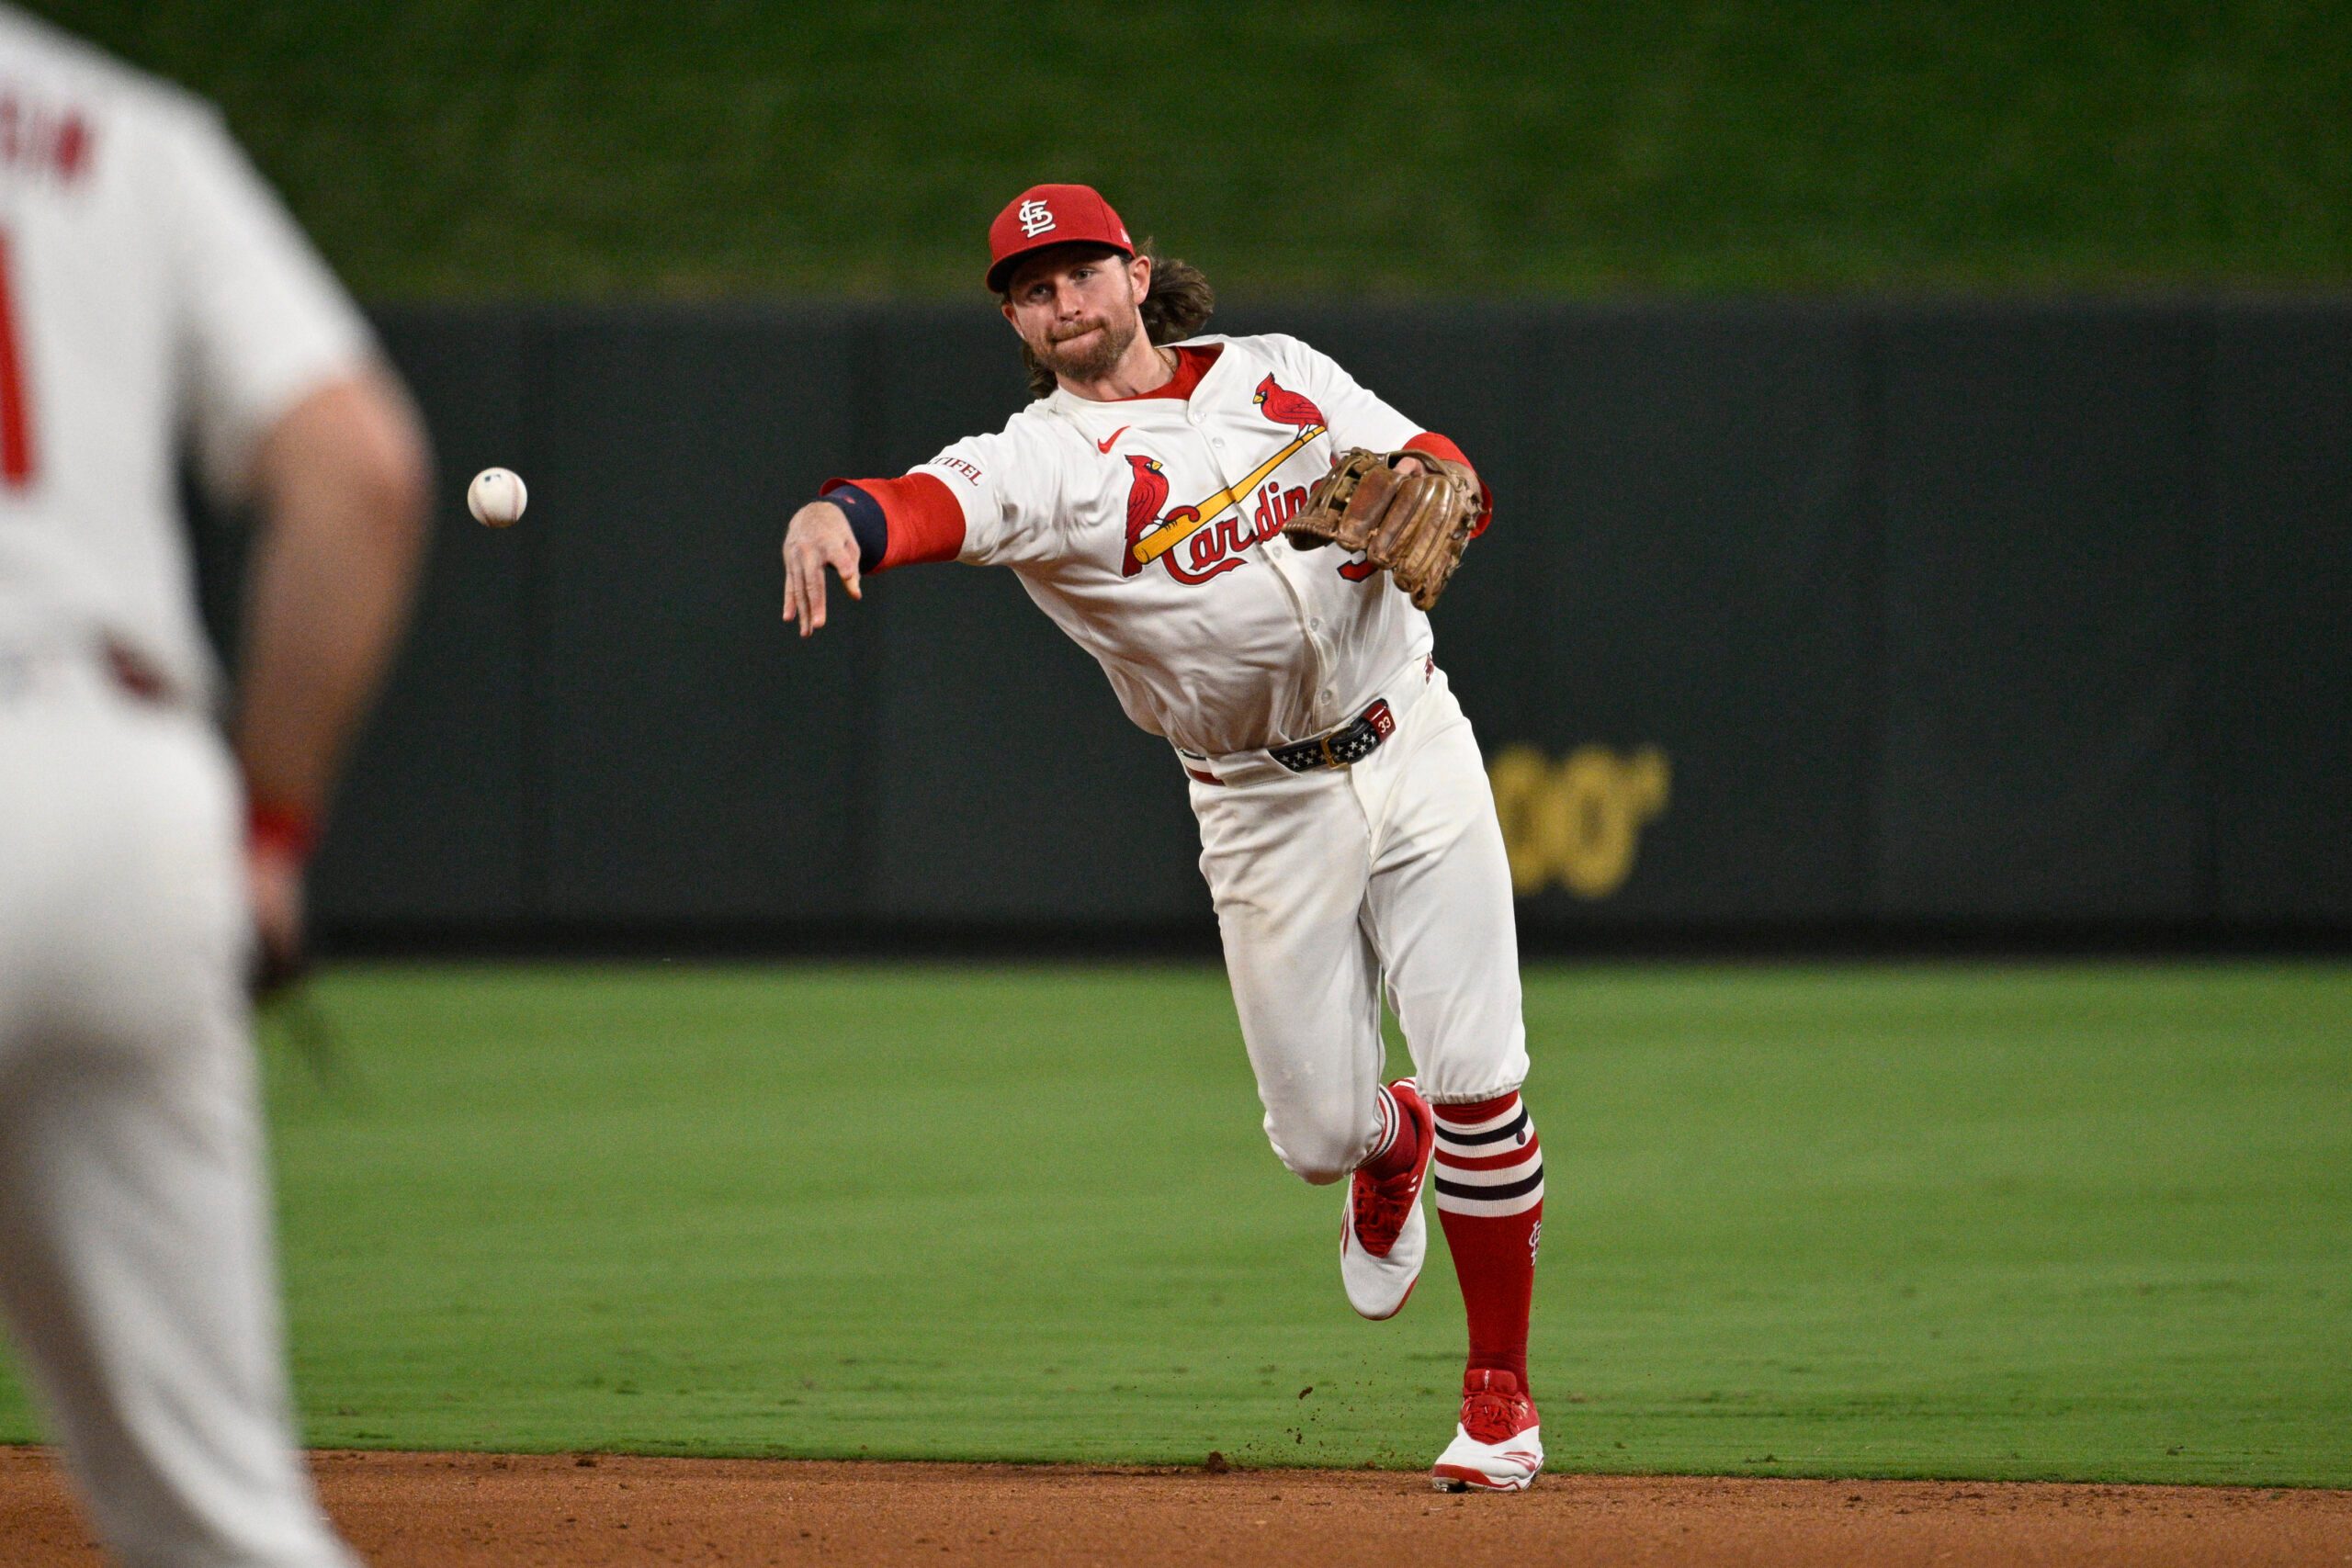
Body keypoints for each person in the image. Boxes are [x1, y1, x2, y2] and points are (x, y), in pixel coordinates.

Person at [780, 184, 1545, 1492]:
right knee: (1314, 1137)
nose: (1061, 300)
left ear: (1138, 275)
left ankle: (1499, 1402)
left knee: (1484, 1075)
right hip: (1258, 800)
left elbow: (1429, 456)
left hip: (1411, 731)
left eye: (1079, 271)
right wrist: (836, 518)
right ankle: (1384, 1140)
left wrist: (1445, 476)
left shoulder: (1278, 376)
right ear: (1018, 323)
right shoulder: (1044, 461)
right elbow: (923, 502)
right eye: (1032, 289)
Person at [0, 7, 431, 1562]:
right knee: (222, 1519)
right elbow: (360, 471)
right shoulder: (121, 126)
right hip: (126, 800)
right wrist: (267, 830)